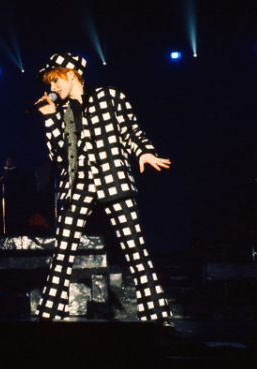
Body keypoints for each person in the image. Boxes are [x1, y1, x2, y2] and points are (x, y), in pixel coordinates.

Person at [33, 53, 173, 323]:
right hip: (78, 183)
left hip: (113, 178)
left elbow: (132, 131)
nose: (52, 88)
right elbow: (60, 158)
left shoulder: (111, 97)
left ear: (71, 74)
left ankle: (156, 316)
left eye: (55, 80)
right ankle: (49, 314)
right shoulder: (62, 111)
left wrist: (143, 152)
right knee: (63, 251)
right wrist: (50, 119)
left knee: (135, 248)